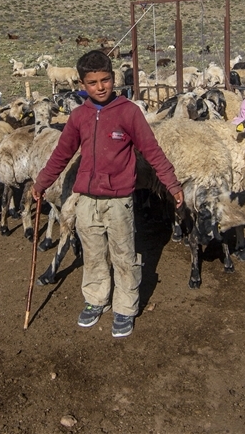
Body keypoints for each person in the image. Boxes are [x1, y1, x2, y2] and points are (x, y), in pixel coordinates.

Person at [32, 50, 183, 338]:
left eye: (105, 80)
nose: (100, 87)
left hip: (118, 200)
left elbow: (152, 150)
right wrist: (41, 183)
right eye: (92, 82)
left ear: (114, 78)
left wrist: (172, 184)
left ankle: (125, 306)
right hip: (87, 199)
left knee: (124, 254)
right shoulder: (79, 116)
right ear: (81, 84)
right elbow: (61, 154)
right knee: (93, 253)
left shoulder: (128, 112)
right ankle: (96, 299)